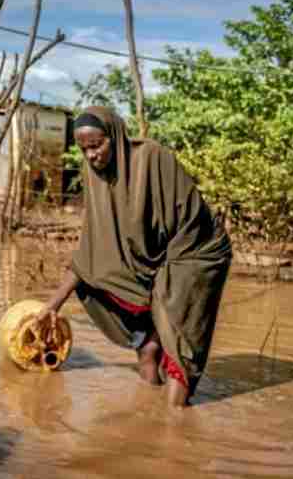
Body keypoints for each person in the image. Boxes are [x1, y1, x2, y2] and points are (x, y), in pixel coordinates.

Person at [37, 106, 232, 408]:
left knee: (177, 345)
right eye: (84, 149)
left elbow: (189, 222)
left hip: (196, 251)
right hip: (158, 257)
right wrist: (52, 305)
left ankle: (173, 426)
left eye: (97, 145)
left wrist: (163, 292)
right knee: (148, 350)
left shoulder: (152, 158)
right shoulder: (96, 179)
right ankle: (147, 421)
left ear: (115, 137)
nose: (91, 156)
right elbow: (89, 254)